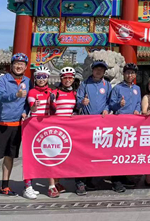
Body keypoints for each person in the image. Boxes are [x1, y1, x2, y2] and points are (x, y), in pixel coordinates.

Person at [0, 52, 30, 202]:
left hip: (17, 124)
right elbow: (1, 96)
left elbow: (28, 102)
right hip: (1, 123)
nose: (19, 66)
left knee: (10, 156)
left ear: (26, 67)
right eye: (16, 63)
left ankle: (5, 186)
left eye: (22, 64)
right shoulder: (2, 80)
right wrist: (16, 95)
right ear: (11, 65)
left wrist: (25, 111)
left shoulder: (28, 81)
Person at [74, 60, 111, 196]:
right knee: (83, 153)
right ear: (92, 70)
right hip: (85, 123)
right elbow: (77, 102)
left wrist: (107, 109)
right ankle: (80, 182)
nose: (99, 71)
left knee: (95, 153)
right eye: (97, 69)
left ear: (104, 71)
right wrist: (82, 102)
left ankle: (90, 180)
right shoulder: (84, 84)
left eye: (101, 69)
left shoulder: (107, 85)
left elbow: (109, 102)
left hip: (100, 124)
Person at [23, 66, 55, 200]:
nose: (41, 79)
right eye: (38, 77)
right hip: (34, 127)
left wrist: (53, 102)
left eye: (44, 77)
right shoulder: (32, 92)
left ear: (48, 78)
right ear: (35, 78)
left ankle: (52, 185)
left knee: (50, 156)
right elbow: (33, 108)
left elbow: (54, 109)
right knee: (30, 157)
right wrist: (35, 106)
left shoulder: (51, 91)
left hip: (47, 127)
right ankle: (27, 186)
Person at [109, 63, 141, 193]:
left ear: (135, 75)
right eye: (128, 73)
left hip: (133, 125)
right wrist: (119, 104)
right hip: (120, 125)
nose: (130, 75)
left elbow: (138, 103)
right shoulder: (117, 88)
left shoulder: (137, 88)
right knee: (118, 153)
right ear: (123, 74)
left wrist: (137, 110)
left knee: (127, 153)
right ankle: (116, 180)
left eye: (132, 73)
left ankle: (124, 176)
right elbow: (111, 105)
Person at [48, 66, 78, 197]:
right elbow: (50, 109)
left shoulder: (74, 93)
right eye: (65, 78)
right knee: (53, 156)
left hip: (68, 128)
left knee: (62, 156)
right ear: (61, 79)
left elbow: (74, 109)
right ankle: (51, 186)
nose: (68, 80)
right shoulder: (55, 92)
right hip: (56, 127)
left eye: (70, 78)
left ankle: (57, 182)